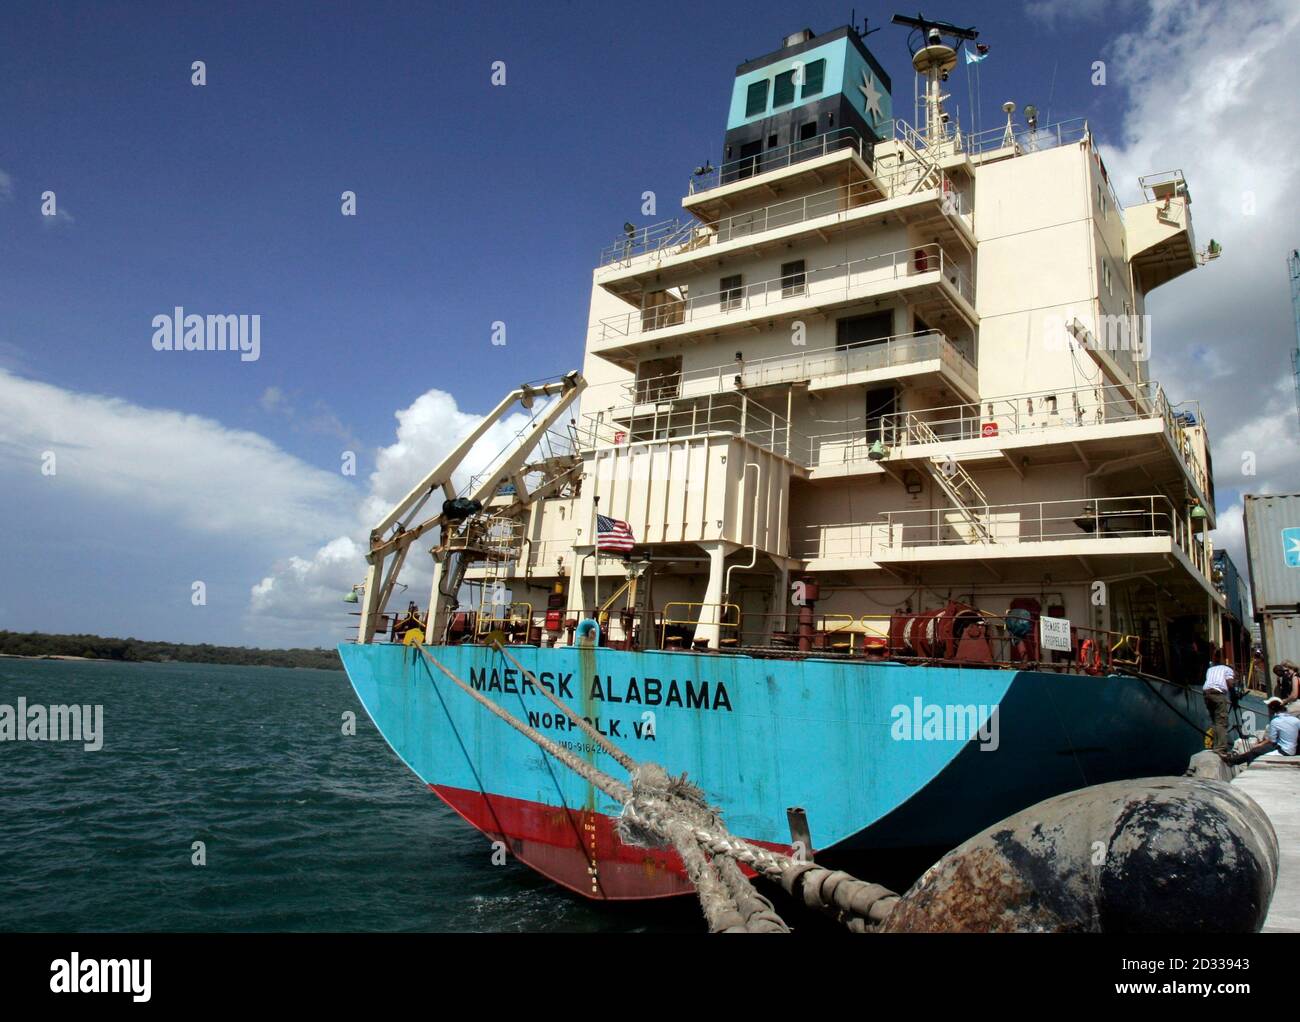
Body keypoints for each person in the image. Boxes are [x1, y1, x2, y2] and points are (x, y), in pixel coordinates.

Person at [1228, 698, 1300, 764]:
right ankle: (1233, 760)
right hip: (1292, 749)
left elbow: (1272, 741)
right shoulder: (1295, 720)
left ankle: (1235, 762)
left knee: (1253, 753)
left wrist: (1259, 745)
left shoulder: (1275, 721)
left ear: (1272, 709)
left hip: (1283, 751)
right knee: (1256, 750)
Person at [1202, 648, 1235, 755]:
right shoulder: (1228, 669)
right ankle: (1220, 748)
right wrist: (1234, 695)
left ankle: (1215, 745)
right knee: (1222, 721)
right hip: (1217, 693)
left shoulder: (1210, 669)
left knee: (1214, 721)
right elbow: (1230, 684)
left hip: (1206, 693)